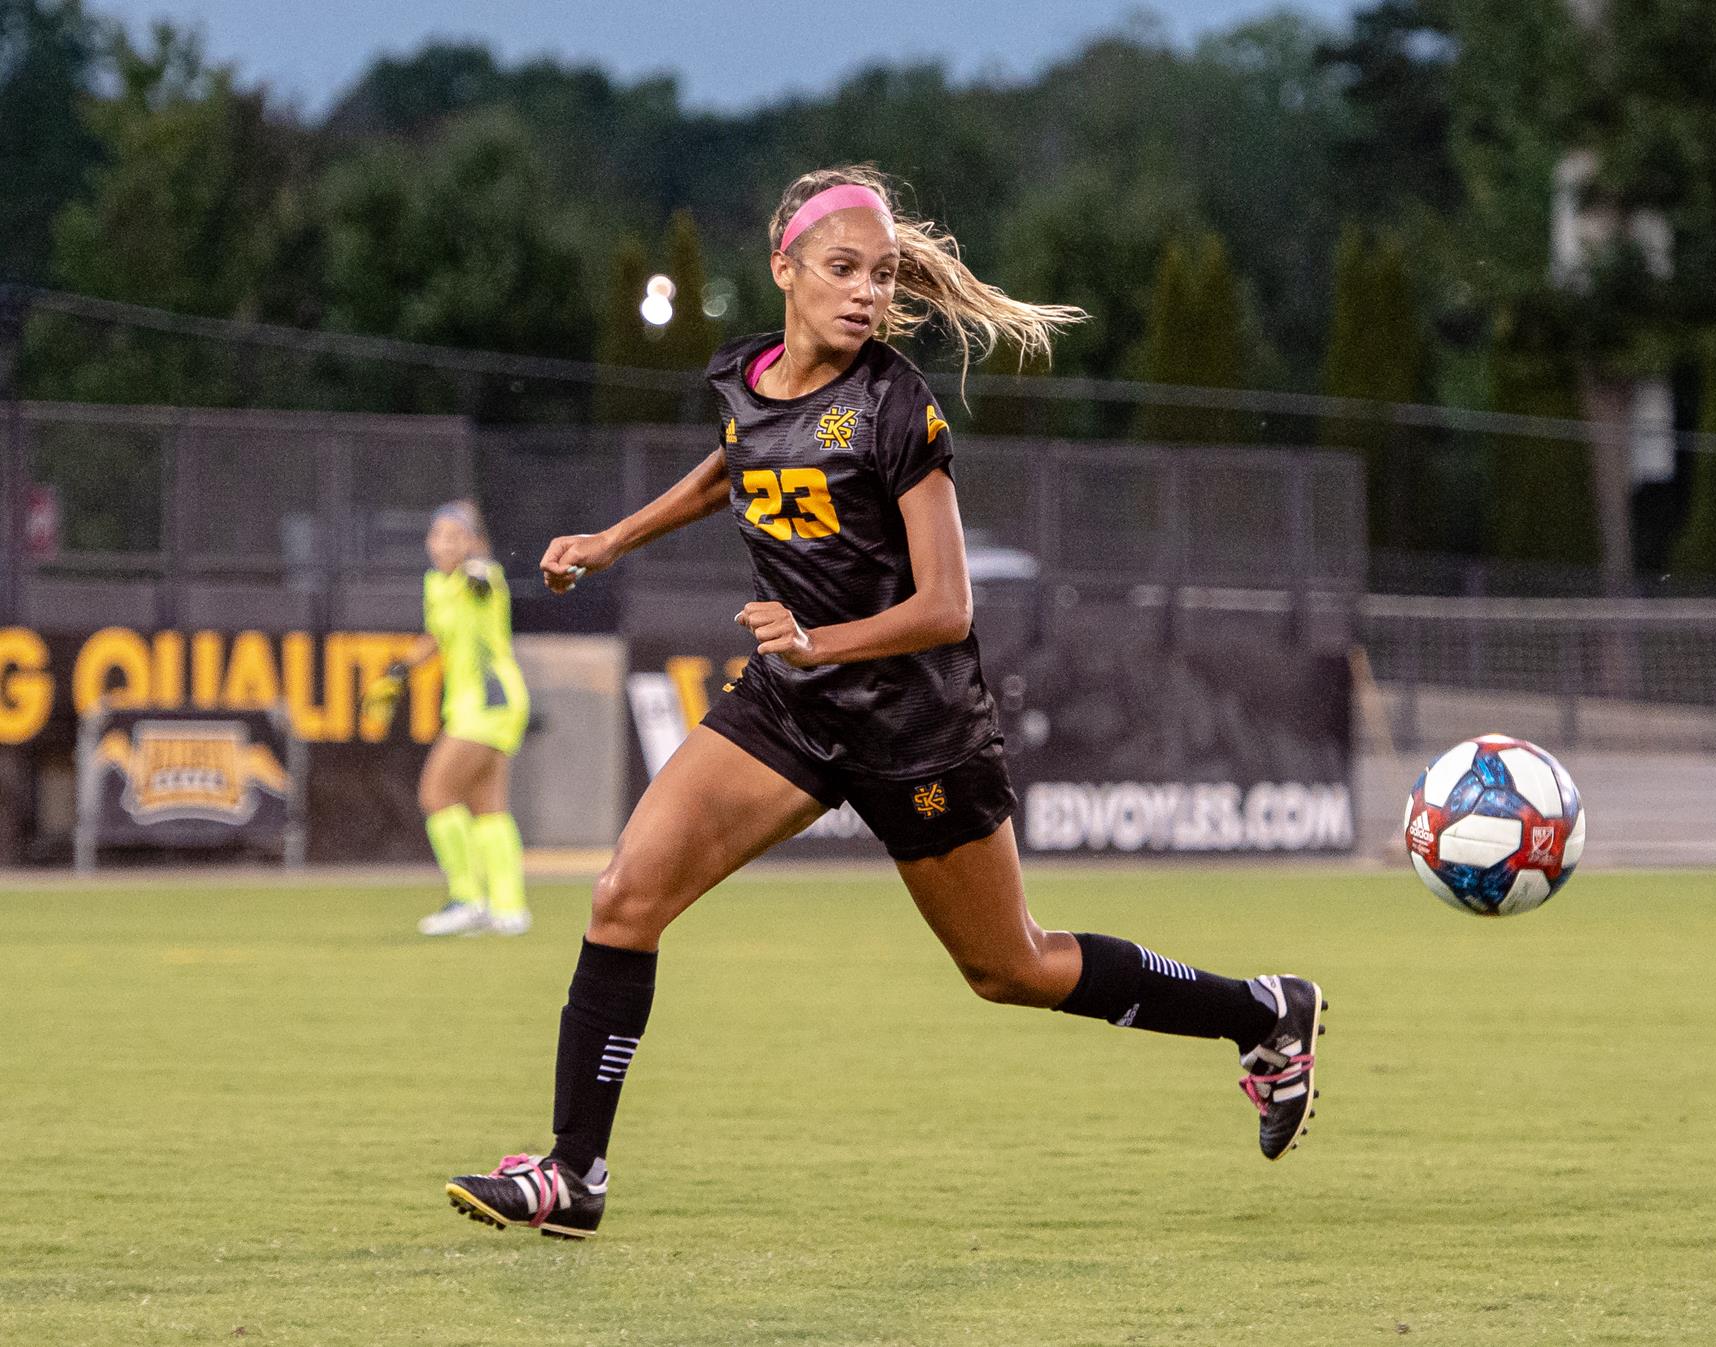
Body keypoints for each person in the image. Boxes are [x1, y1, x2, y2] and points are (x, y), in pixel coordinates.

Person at [443, 166, 1323, 1240]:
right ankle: (572, 1174)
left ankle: (1261, 1012)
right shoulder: (745, 379)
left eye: (883, 275)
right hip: (790, 709)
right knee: (625, 897)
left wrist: (818, 638)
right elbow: (737, 461)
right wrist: (612, 539)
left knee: (1009, 967)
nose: (866, 292)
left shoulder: (895, 404)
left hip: (917, 731)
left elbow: (948, 607)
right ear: (785, 270)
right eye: (844, 269)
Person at [363, 500, 533, 937]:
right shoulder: (436, 584)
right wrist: (399, 672)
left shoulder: (482, 575)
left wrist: (476, 564)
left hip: (489, 702)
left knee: (436, 794)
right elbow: (437, 636)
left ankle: (467, 899)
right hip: (478, 705)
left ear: (473, 542)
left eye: (455, 537)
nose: (444, 544)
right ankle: (509, 908)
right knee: (488, 806)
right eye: (438, 536)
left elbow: (481, 580)